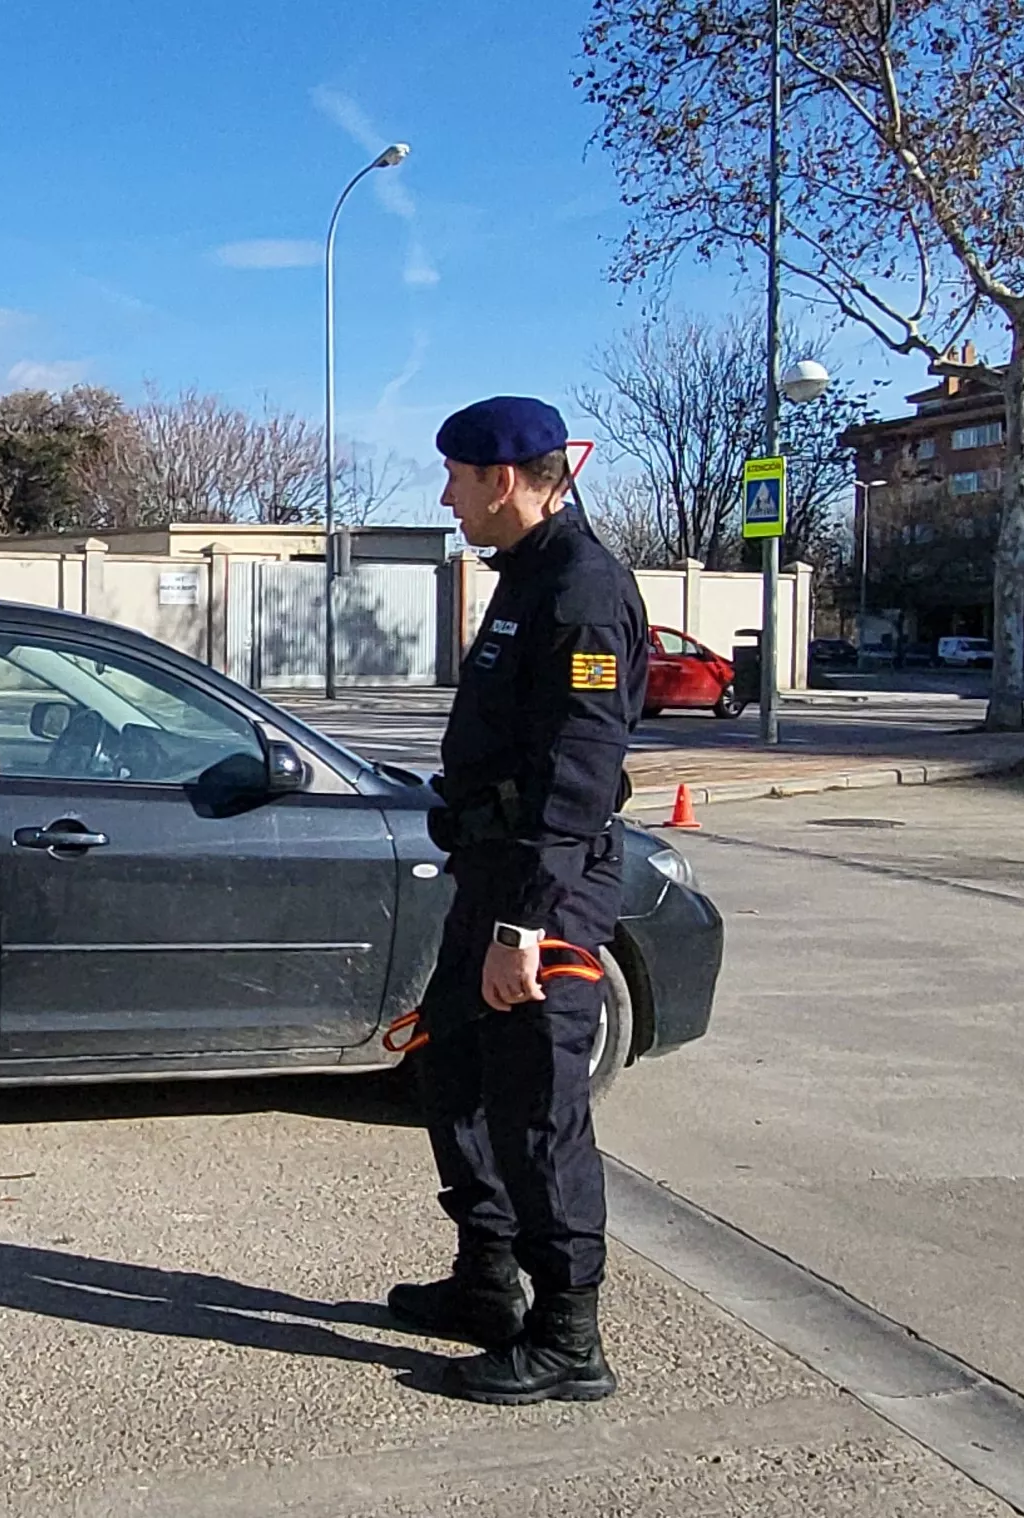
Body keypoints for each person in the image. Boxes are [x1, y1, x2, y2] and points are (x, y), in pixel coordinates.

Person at [387, 395, 645, 1405]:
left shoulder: (581, 590)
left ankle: (568, 1334)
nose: (445, 496)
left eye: (455, 477)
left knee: (537, 1111)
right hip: (493, 873)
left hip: (546, 892)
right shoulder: (527, 577)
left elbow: (577, 779)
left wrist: (521, 928)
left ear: (502, 481)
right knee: (448, 1067)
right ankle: (486, 1278)